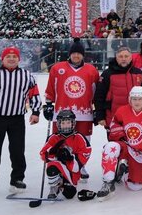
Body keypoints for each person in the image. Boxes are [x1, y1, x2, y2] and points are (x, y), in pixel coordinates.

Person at [0, 47, 42, 195]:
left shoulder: (26, 76)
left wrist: (36, 112)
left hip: (17, 119)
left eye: (14, 56)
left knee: (18, 150)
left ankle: (17, 179)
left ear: (19, 59)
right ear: (2, 58)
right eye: (8, 56)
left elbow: (35, 95)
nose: (11, 59)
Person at [43, 39, 100, 179]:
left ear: (83, 55)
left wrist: (97, 109)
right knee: (60, 141)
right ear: (69, 54)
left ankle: (80, 166)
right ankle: (60, 165)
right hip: (62, 113)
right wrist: (49, 105)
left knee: (84, 142)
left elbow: (96, 92)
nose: (76, 56)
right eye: (73, 53)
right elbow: (51, 88)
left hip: (84, 114)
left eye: (79, 54)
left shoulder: (91, 70)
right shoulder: (57, 68)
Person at [99, 86, 142, 200]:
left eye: (140, 99)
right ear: (130, 99)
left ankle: (125, 171)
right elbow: (114, 125)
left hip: (141, 152)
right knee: (111, 147)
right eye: (134, 99)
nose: (137, 102)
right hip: (125, 147)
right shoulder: (122, 110)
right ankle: (108, 182)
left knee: (136, 186)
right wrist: (118, 133)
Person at [38, 110, 91, 199]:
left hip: (72, 170)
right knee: (52, 167)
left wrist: (70, 157)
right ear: (58, 124)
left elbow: (77, 167)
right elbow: (43, 154)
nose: (65, 125)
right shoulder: (54, 137)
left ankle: (61, 184)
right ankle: (54, 186)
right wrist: (54, 153)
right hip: (57, 166)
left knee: (69, 194)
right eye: (63, 123)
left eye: (68, 123)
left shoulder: (80, 138)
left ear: (73, 123)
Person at [94, 47, 142, 128]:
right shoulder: (107, 74)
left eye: (126, 56)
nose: (123, 59)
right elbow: (99, 96)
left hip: (136, 118)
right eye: (121, 56)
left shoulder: (139, 73)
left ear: (130, 58)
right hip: (113, 118)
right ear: (116, 58)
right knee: (115, 141)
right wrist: (100, 116)